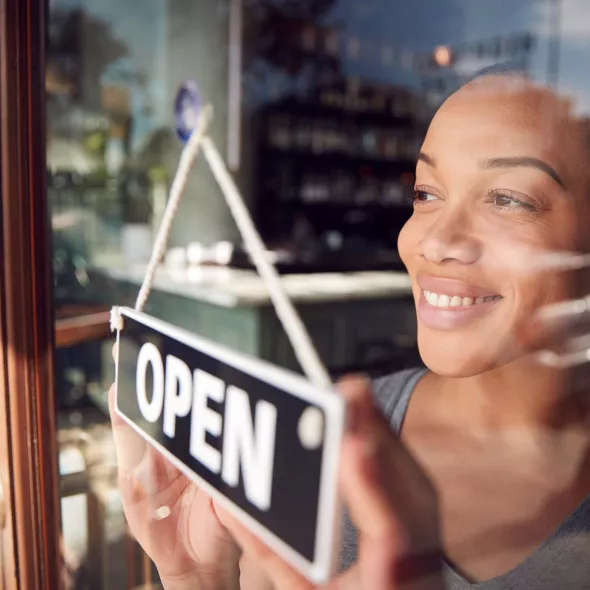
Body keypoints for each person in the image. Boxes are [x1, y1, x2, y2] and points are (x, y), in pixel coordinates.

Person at [109, 72, 590, 589]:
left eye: (507, 199)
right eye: (427, 193)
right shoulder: (322, 444)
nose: (433, 242)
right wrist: (199, 577)